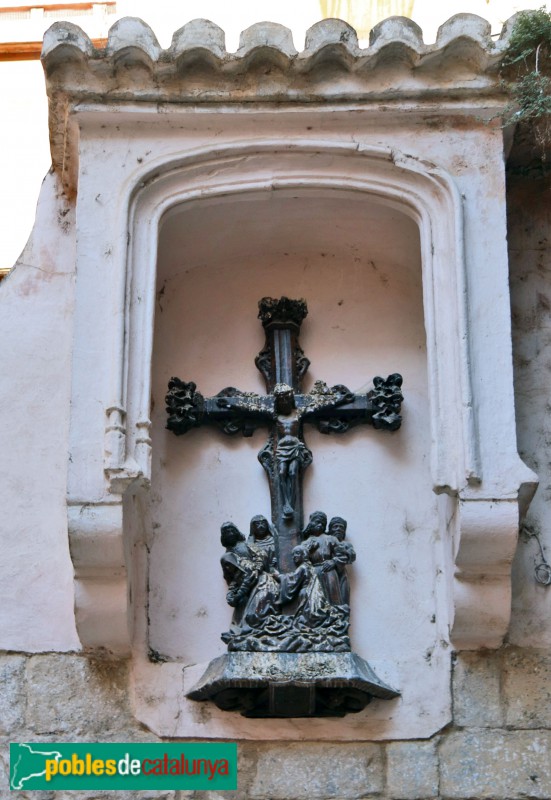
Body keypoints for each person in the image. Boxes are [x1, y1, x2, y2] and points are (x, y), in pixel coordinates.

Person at [273, 384, 313, 518]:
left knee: (293, 472)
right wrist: (232, 406)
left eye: (287, 399)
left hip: (295, 447)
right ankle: (285, 502)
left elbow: (319, 406)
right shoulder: (275, 415)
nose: (284, 402)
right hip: (282, 449)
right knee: (281, 472)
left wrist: (341, 400)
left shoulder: (298, 413)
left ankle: (291, 503)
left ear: (291, 399)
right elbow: (253, 409)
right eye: (281, 400)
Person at [301, 511, 343, 605]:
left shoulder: (331, 539)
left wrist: (334, 561)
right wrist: (307, 550)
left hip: (328, 570)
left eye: (323, 523)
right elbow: (300, 560)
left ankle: (336, 612)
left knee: (332, 595)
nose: (320, 525)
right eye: (317, 522)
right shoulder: (306, 543)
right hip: (313, 572)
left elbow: (343, 553)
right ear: (311, 523)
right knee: (316, 599)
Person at [327, 516, 356, 605]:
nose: (338, 529)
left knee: (344, 600)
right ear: (330, 530)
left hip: (342, 575)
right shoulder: (326, 542)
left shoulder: (346, 545)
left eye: (341, 527)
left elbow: (351, 556)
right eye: (335, 527)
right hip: (328, 574)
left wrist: (335, 561)